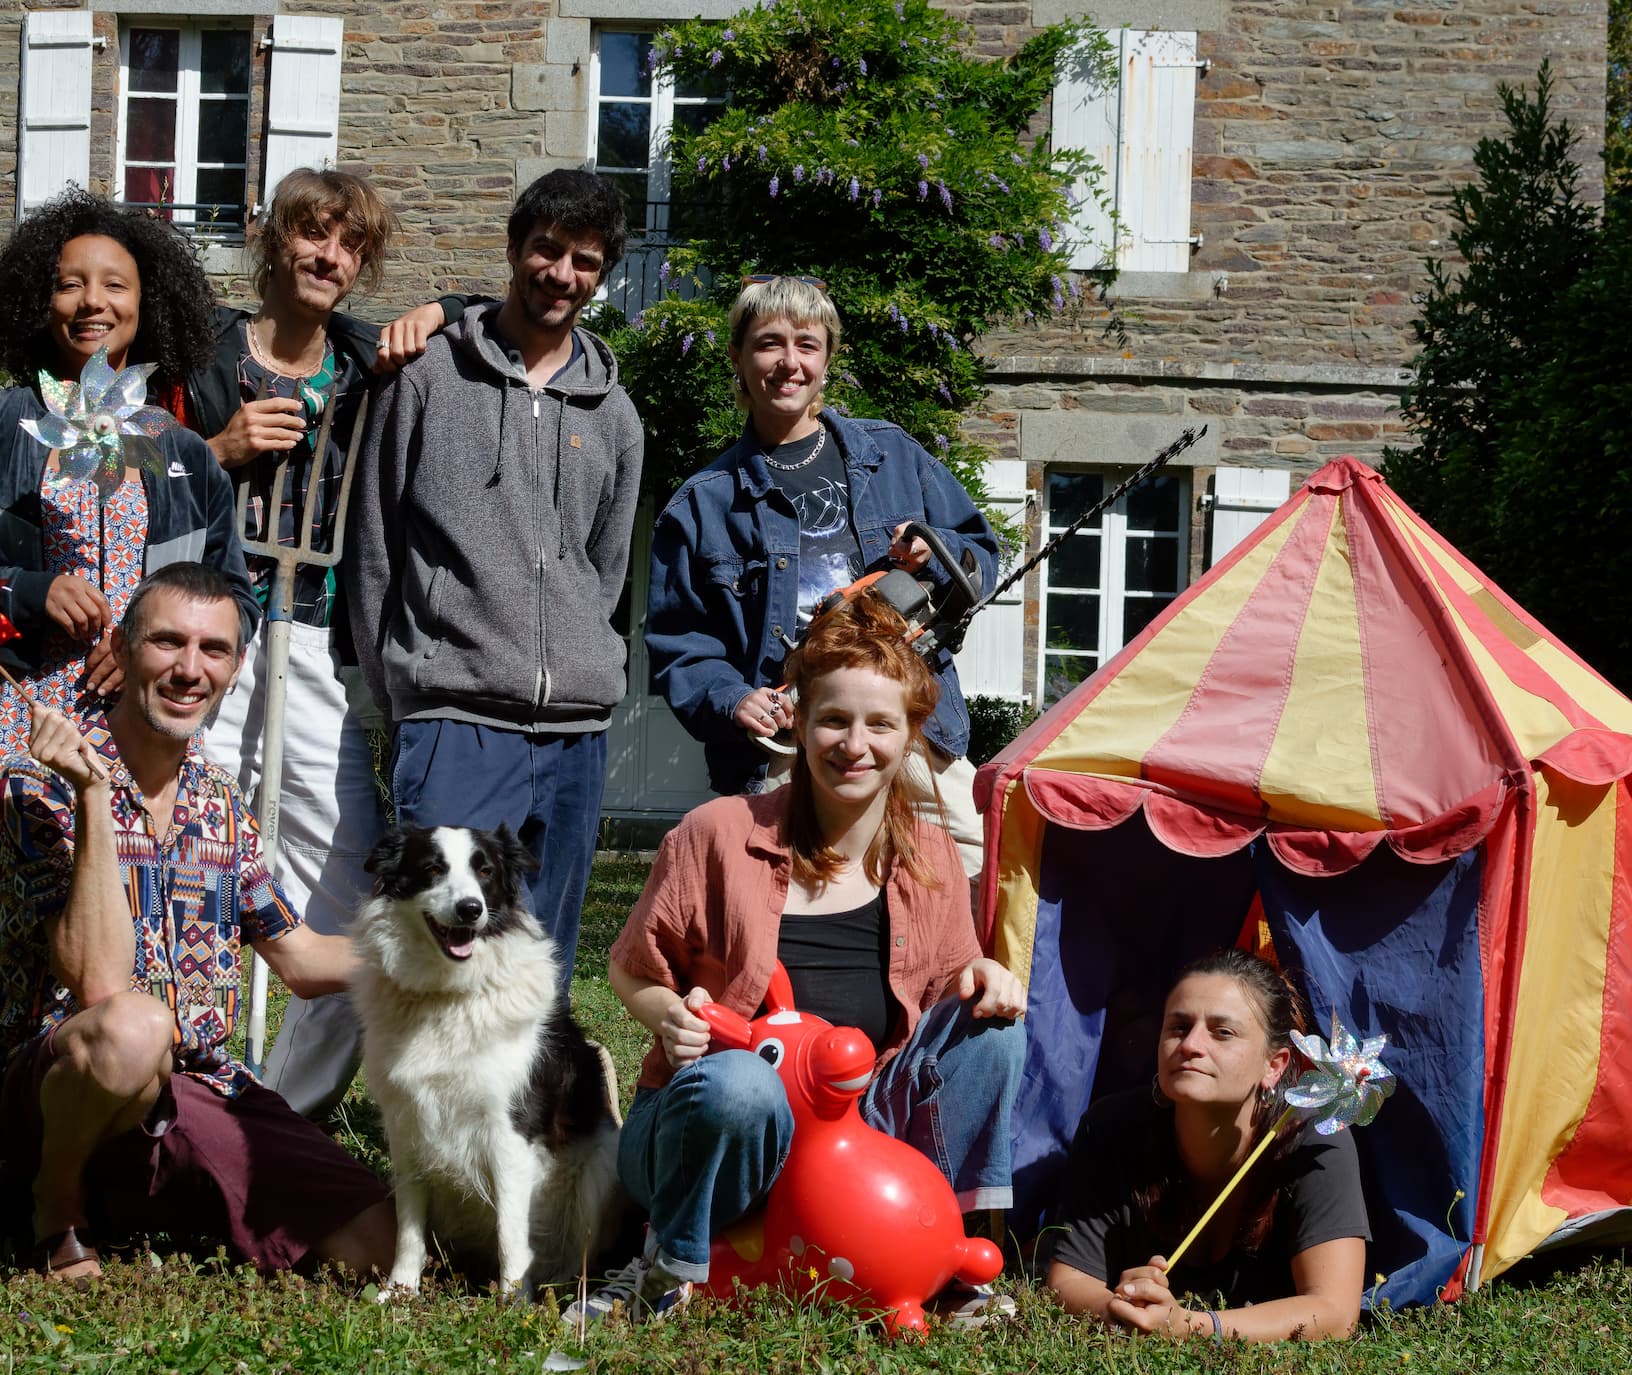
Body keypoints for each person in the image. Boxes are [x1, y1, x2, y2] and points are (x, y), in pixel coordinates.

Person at [0, 190, 255, 1238]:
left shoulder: (180, 453)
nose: (90, 301)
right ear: (35, 297)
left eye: (114, 285)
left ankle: (100, 1191)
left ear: (150, 306)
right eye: (69, 282)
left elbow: (232, 594)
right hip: (7, 713)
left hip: (136, 737)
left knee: (120, 955)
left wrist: (145, 637)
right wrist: (19, 591)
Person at [566, 594, 1026, 1325]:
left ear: (911, 737)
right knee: (744, 1084)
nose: (855, 743)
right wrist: (669, 1014)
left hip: (855, 1138)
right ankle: (665, 1262)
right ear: (801, 725)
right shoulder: (715, 833)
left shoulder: (932, 854)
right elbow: (630, 967)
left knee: (996, 1035)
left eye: (881, 723)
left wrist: (985, 977)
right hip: (720, 1124)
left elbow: (949, 991)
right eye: (835, 719)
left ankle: (942, 1257)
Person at [0, 562, 395, 1282]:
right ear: (124, 650)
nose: (190, 669)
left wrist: (435, 959)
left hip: (195, 1087)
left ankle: (152, 1205)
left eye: (214, 650)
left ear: (233, 668)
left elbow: (300, 957)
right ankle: (55, 1207)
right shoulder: (38, 788)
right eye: (168, 642)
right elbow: (98, 983)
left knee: (378, 1243)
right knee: (135, 1029)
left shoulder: (220, 802)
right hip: (62, 1093)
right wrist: (95, 799)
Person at [186, 167, 475, 1117]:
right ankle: (176, 1081)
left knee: (366, 892)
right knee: (178, 851)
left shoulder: (363, 361)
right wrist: (215, 453)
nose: (332, 259)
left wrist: (434, 309)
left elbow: (502, 315)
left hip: (311, 638)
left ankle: (273, 1113)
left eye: (351, 246)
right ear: (274, 240)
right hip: (200, 638)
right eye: (315, 236)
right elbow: (124, 464)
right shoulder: (198, 350)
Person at [344, 168, 645, 989]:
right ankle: (428, 1117)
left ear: (602, 274)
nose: (561, 274)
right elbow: (375, 541)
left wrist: (582, 656)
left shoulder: (615, 415)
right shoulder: (427, 377)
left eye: (584, 261)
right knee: (443, 959)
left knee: (538, 964)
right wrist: (405, 689)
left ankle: (527, 1120)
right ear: (514, 250)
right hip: (455, 712)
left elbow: (604, 568)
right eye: (547, 250)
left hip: (576, 729)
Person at [645, 275, 999, 885]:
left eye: (807, 345)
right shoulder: (701, 505)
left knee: (970, 875)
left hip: (910, 722)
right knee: (794, 898)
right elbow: (681, 645)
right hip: (785, 743)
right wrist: (734, 699)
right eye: (769, 343)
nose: (789, 362)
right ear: (738, 356)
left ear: (828, 359)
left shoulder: (894, 456)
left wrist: (934, 553)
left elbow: (979, 555)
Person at [1045, 948, 1368, 1341]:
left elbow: (1335, 1312)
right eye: (1178, 1027)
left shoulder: (1313, 1140)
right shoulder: (1110, 1126)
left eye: (1222, 1032)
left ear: (1275, 1065)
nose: (1191, 1044)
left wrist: (1191, 1327)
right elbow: (1069, 1280)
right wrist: (1122, 1310)